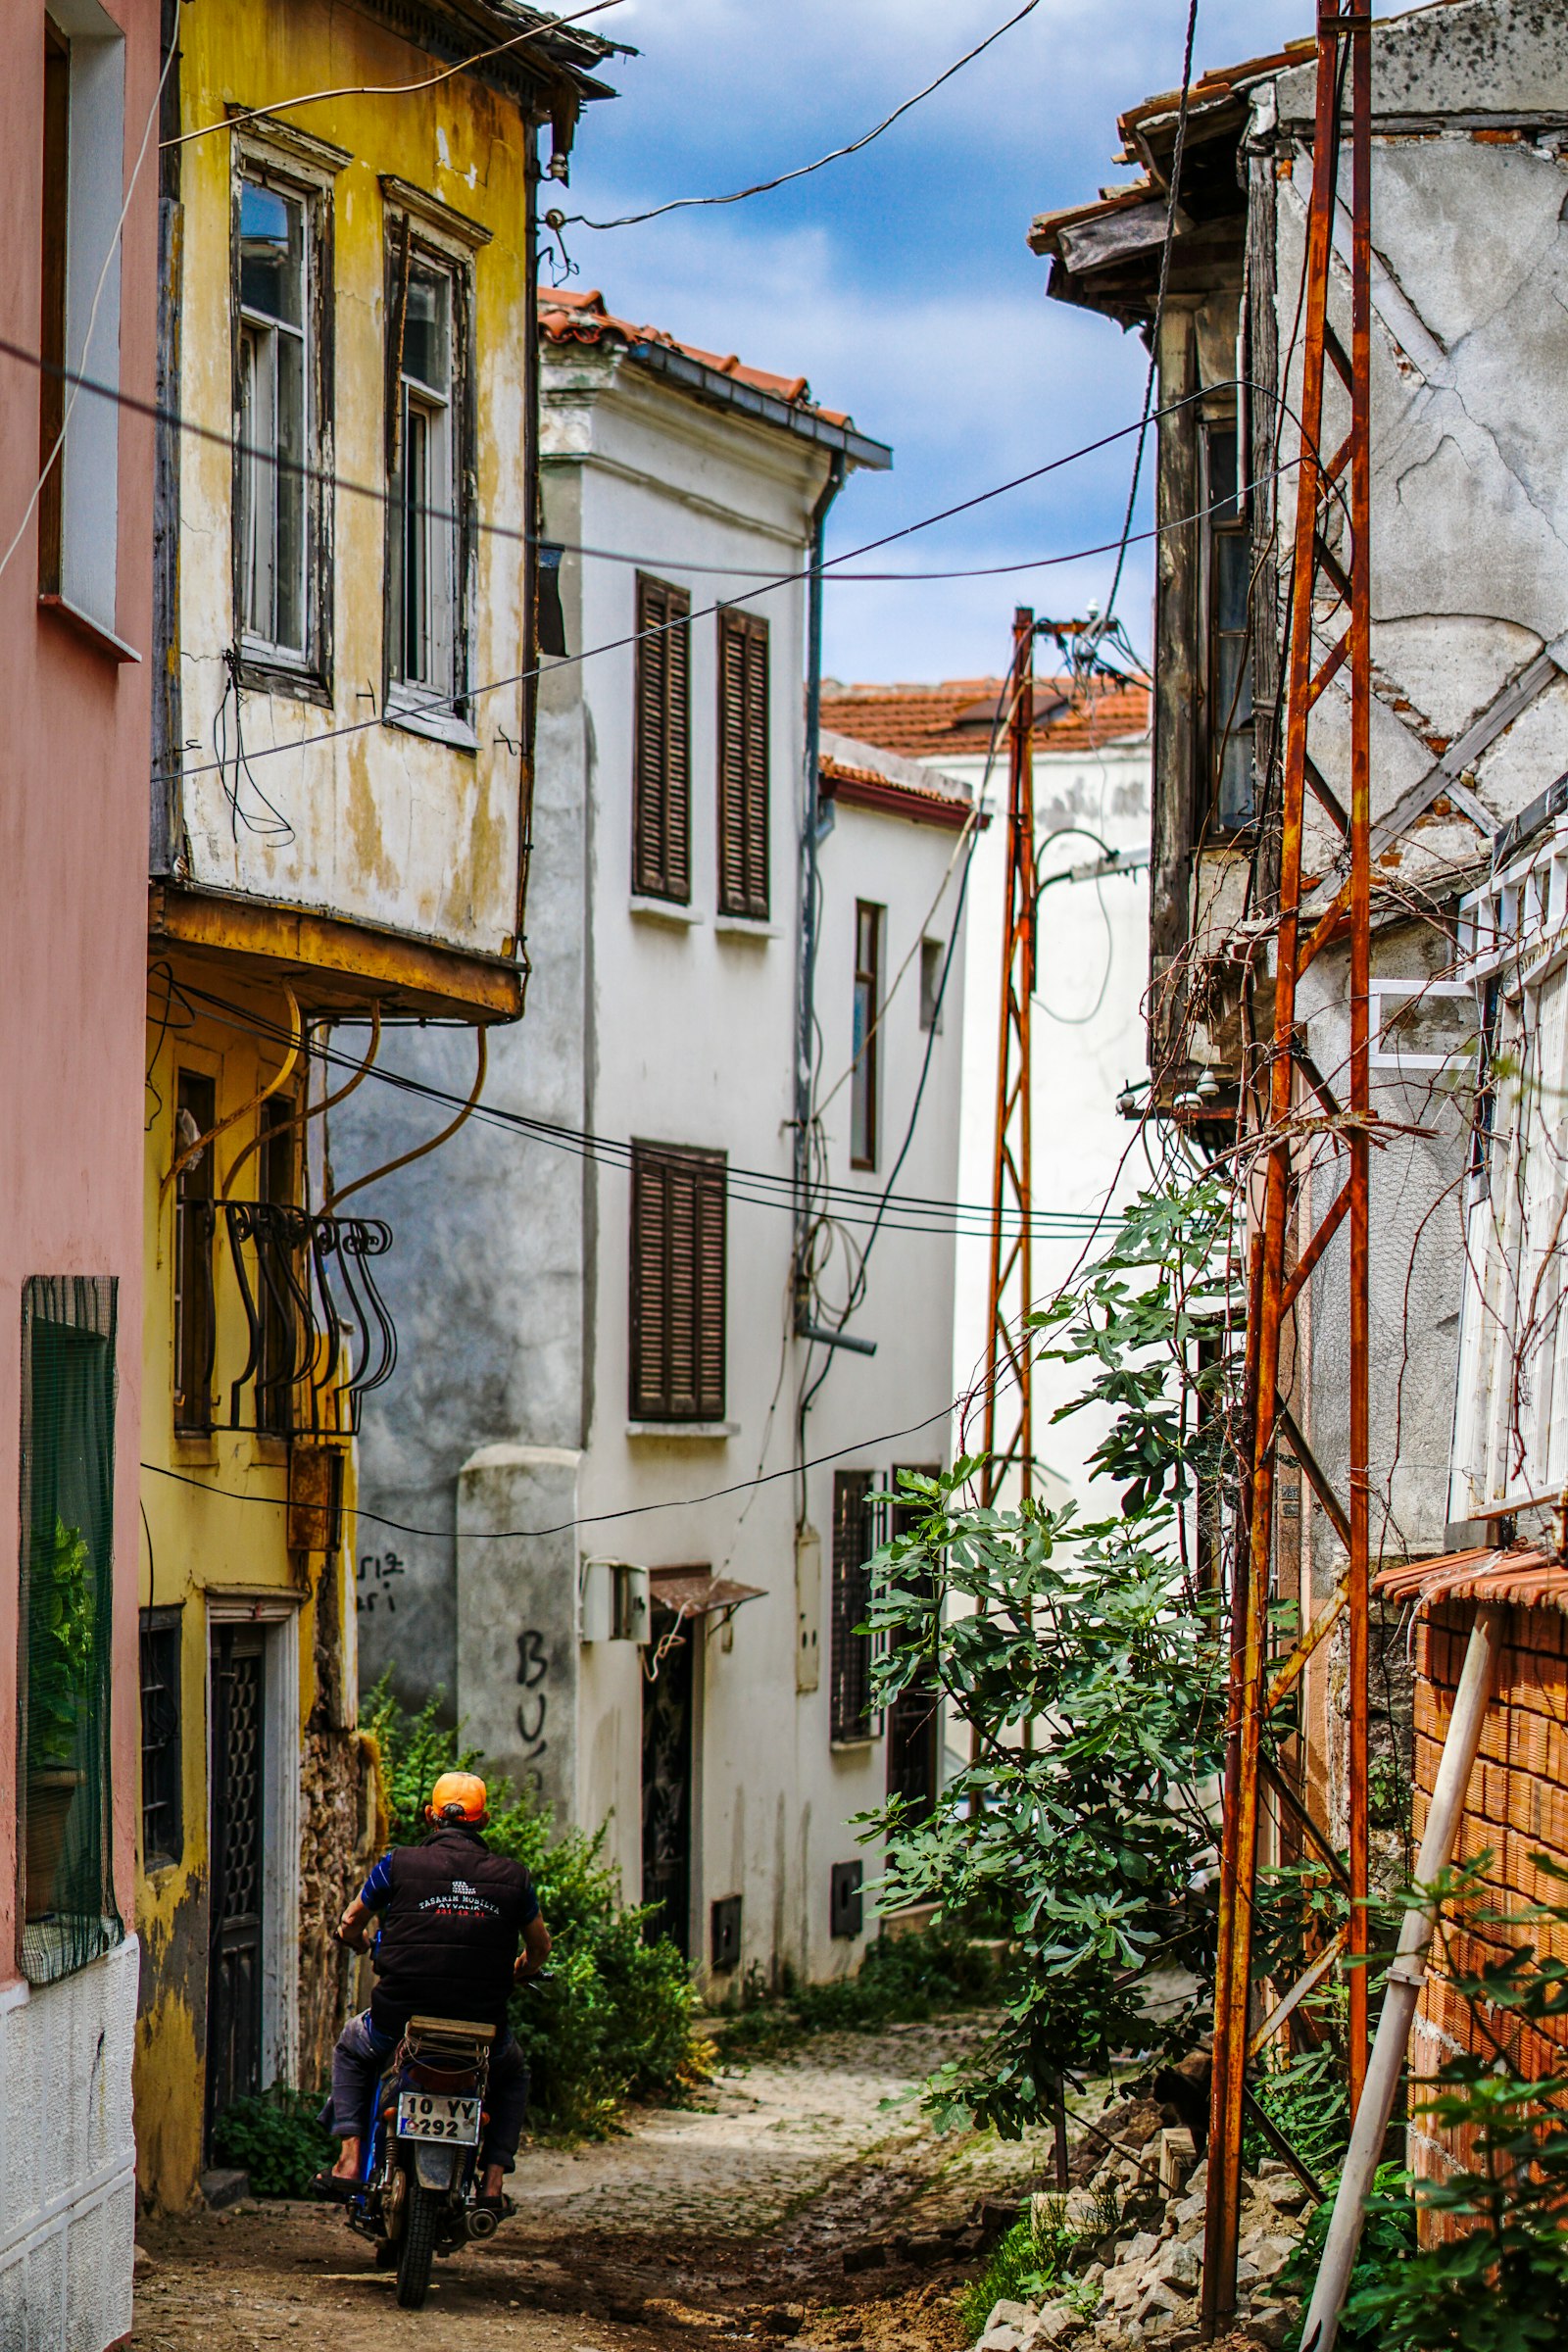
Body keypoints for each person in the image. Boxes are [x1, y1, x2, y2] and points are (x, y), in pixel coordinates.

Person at [318, 1769, 552, 2210]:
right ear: (483, 1822)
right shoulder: (514, 1878)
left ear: (430, 1816)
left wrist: (360, 1943)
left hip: (399, 2022)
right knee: (513, 2072)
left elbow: (350, 1922)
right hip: (481, 2028)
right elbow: (540, 1947)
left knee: (352, 2046)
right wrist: (519, 1970)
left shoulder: (397, 1864)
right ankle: (493, 2184)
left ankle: (349, 2161)